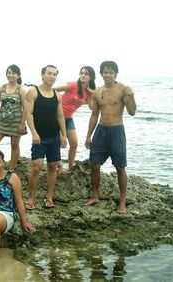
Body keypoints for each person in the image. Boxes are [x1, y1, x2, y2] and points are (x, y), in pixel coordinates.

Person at [84, 61, 137, 213]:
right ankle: (95, 195)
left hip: (116, 131)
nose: (108, 75)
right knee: (94, 165)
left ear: (115, 74)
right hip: (101, 131)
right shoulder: (97, 92)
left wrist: (131, 95)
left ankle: (122, 201)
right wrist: (88, 136)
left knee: (120, 167)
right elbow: (94, 115)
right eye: (105, 72)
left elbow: (132, 112)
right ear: (101, 74)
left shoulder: (122, 90)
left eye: (111, 72)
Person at [23, 65, 67, 209]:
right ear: (42, 75)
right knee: (36, 166)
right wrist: (34, 133)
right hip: (39, 137)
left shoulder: (57, 95)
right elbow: (28, 114)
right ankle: (30, 198)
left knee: (52, 166)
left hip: (54, 136)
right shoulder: (33, 92)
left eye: (54, 74)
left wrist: (64, 135)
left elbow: (60, 116)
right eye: (49, 74)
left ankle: (49, 198)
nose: (52, 77)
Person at [54, 66, 96, 175]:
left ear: (91, 77)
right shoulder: (72, 85)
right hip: (57, 117)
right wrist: (56, 103)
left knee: (74, 144)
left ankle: (70, 168)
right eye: (81, 73)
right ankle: (59, 166)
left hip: (68, 119)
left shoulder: (87, 92)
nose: (83, 75)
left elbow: (92, 107)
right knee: (57, 143)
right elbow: (53, 90)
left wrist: (93, 93)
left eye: (86, 73)